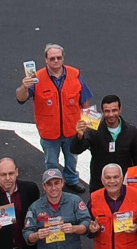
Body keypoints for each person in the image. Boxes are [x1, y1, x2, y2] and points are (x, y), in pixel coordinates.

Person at [16, 44, 93, 190]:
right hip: (49, 133)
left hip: (72, 130)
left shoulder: (74, 74)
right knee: (51, 162)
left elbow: (85, 101)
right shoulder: (36, 78)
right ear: (46, 60)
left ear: (63, 58)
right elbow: (21, 99)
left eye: (59, 57)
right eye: (52, 58)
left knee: (72, 159)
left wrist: (90, 127)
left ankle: (71, 180)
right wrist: (24, 86)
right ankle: (53, 185)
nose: (56, 61)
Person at [74, 94, 137, 189]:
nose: (111, 114)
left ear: (120, 109)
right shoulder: (93, 130)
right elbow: (76, 149)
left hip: (124, 184)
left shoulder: (131, 131)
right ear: (102, 112)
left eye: (114, 110)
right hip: (99, 184)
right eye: (107, 111)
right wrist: (79, 136)